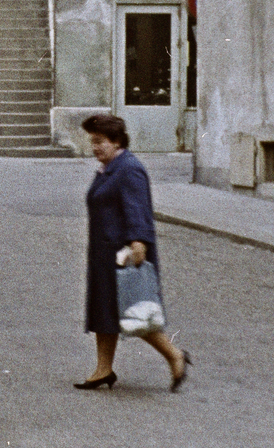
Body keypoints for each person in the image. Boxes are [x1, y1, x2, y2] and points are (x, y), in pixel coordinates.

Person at [75, 112, 190, 392]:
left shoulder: (129, 168)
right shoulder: (109, 168)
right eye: (92, 142)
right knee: (104, 310)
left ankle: (175, 355)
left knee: (133, 312)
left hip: (124, 253)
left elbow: (138, 208)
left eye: (100, 141)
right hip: (105, 253)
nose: (95, 147)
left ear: (116, 141)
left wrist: (139, 242)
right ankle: (103, 369)